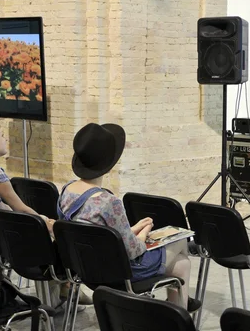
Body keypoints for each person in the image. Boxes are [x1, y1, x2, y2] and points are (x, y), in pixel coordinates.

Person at [58, 123, 200, 312]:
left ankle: (179, 307)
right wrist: (144, 232)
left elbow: (98, 234)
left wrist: (133, 229)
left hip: (87, 269)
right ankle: (178, 312)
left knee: (182, 265)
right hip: (120, 272)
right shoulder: (109, 202)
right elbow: (133, 251)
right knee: (180, 242)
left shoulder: (66, 191)